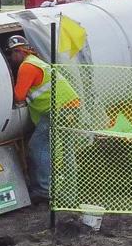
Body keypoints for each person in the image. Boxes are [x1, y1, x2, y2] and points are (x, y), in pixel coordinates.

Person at [6, 35, 79, 202]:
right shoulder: (36, 62)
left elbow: (18, 96)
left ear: (19, 51)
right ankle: (68, 193)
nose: (11, 58)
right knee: (65, 151)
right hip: (69, 107)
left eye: (11, 54)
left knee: (37, 147)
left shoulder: (27, 67)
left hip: (59, 109)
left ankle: (44, 190)